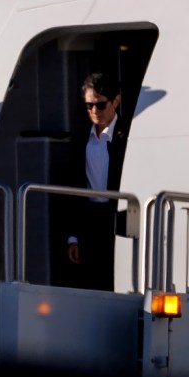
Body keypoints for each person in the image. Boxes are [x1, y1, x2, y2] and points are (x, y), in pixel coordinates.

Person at [63, 72, 127, 291]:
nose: (94, 111)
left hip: (118, 217)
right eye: (89, 105)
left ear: (115, 101)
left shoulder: (126, 136)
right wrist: (73, 237)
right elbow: (72, 188)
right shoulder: (82, 139)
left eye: (100, 105)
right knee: (89, 281)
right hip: (89, 218)